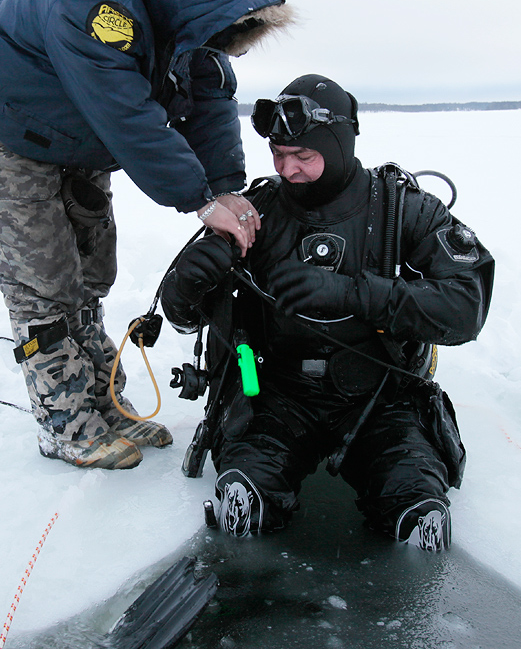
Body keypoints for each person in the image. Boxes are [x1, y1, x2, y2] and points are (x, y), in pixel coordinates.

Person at [0, 0, 293, 470]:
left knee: (91, 271)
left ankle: (103, 403)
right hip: (9, 129)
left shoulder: (185, 11)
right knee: (44, 278)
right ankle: (65, 421)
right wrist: (196, 200)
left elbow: (207, 96)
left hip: (79, 137)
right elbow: (126, 114)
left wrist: (225, 186)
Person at [160, 73, 494, 551]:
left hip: (381, 397)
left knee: (415, 502)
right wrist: (189, 277)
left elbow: (466, 308)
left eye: (304, 157)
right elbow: (183, 317)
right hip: (274, 394)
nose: (288, 169)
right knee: (245, 490)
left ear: (338, 147)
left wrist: (353, 294)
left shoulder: (403, 209)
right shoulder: (255, 212)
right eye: (278, 154)